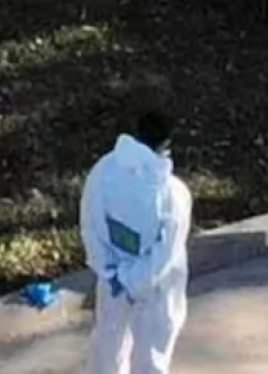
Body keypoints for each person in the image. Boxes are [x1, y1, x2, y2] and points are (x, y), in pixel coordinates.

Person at [80, 110, 193, 374]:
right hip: (157, 289)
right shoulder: (173, 194)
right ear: (166, 146)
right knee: (152, 354)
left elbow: (90, 223)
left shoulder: (105, 170)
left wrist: (110, 272)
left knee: (108, 346)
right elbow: (166, 253)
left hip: (112, 279)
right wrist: (135, 281)